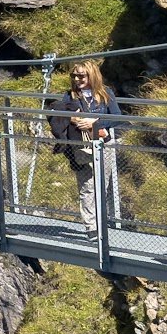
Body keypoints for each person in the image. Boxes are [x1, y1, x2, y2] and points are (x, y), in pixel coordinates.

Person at [47, 60, 116, 228]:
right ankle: (91, 227)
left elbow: (117, 117)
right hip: (81, 146)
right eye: (74, 75)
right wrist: (72, 119)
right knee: (87, 186)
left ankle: (101, 224)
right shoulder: (69, 95)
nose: (77, 79)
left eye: (81, 76)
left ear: (92, 75)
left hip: (103, 144)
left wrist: (96, 122)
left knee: (102, 184)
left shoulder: (106, 93)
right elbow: (59, 115)